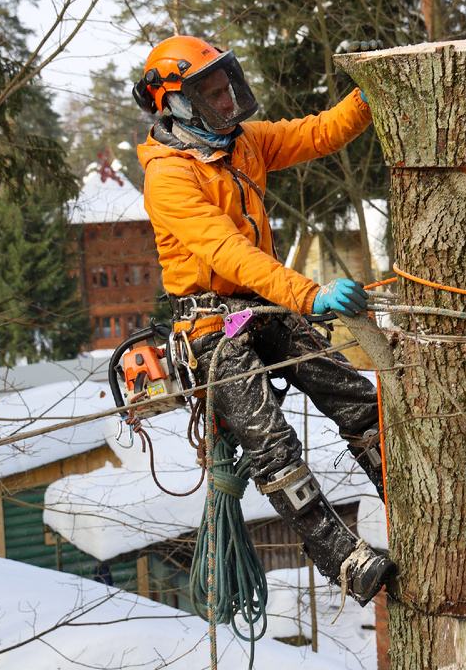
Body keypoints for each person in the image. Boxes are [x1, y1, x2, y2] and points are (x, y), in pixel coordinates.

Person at [133, 35, 394, 605]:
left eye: (227, 88)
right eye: (212, 95)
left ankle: (407, 496)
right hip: (210, 326)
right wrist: (309, 295)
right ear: (175, 104)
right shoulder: (169, 178)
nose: (227, 102)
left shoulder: (244, 143)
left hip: (263, 303)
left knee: (353, 395)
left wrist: (369, 95)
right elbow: (228, 251)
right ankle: (340, 555)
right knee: (272, 442)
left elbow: (318, 131)